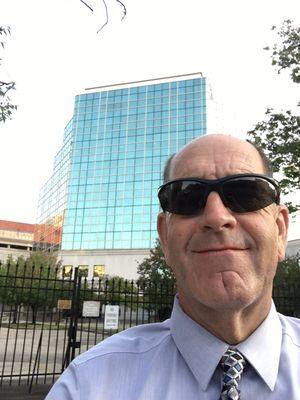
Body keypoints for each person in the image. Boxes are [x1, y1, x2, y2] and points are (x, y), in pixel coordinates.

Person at [46, 134, 299, 400]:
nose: (216, 217)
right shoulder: (86, 386)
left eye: (245, 193)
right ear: (165, 238)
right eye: (187, 197)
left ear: (280, 231)